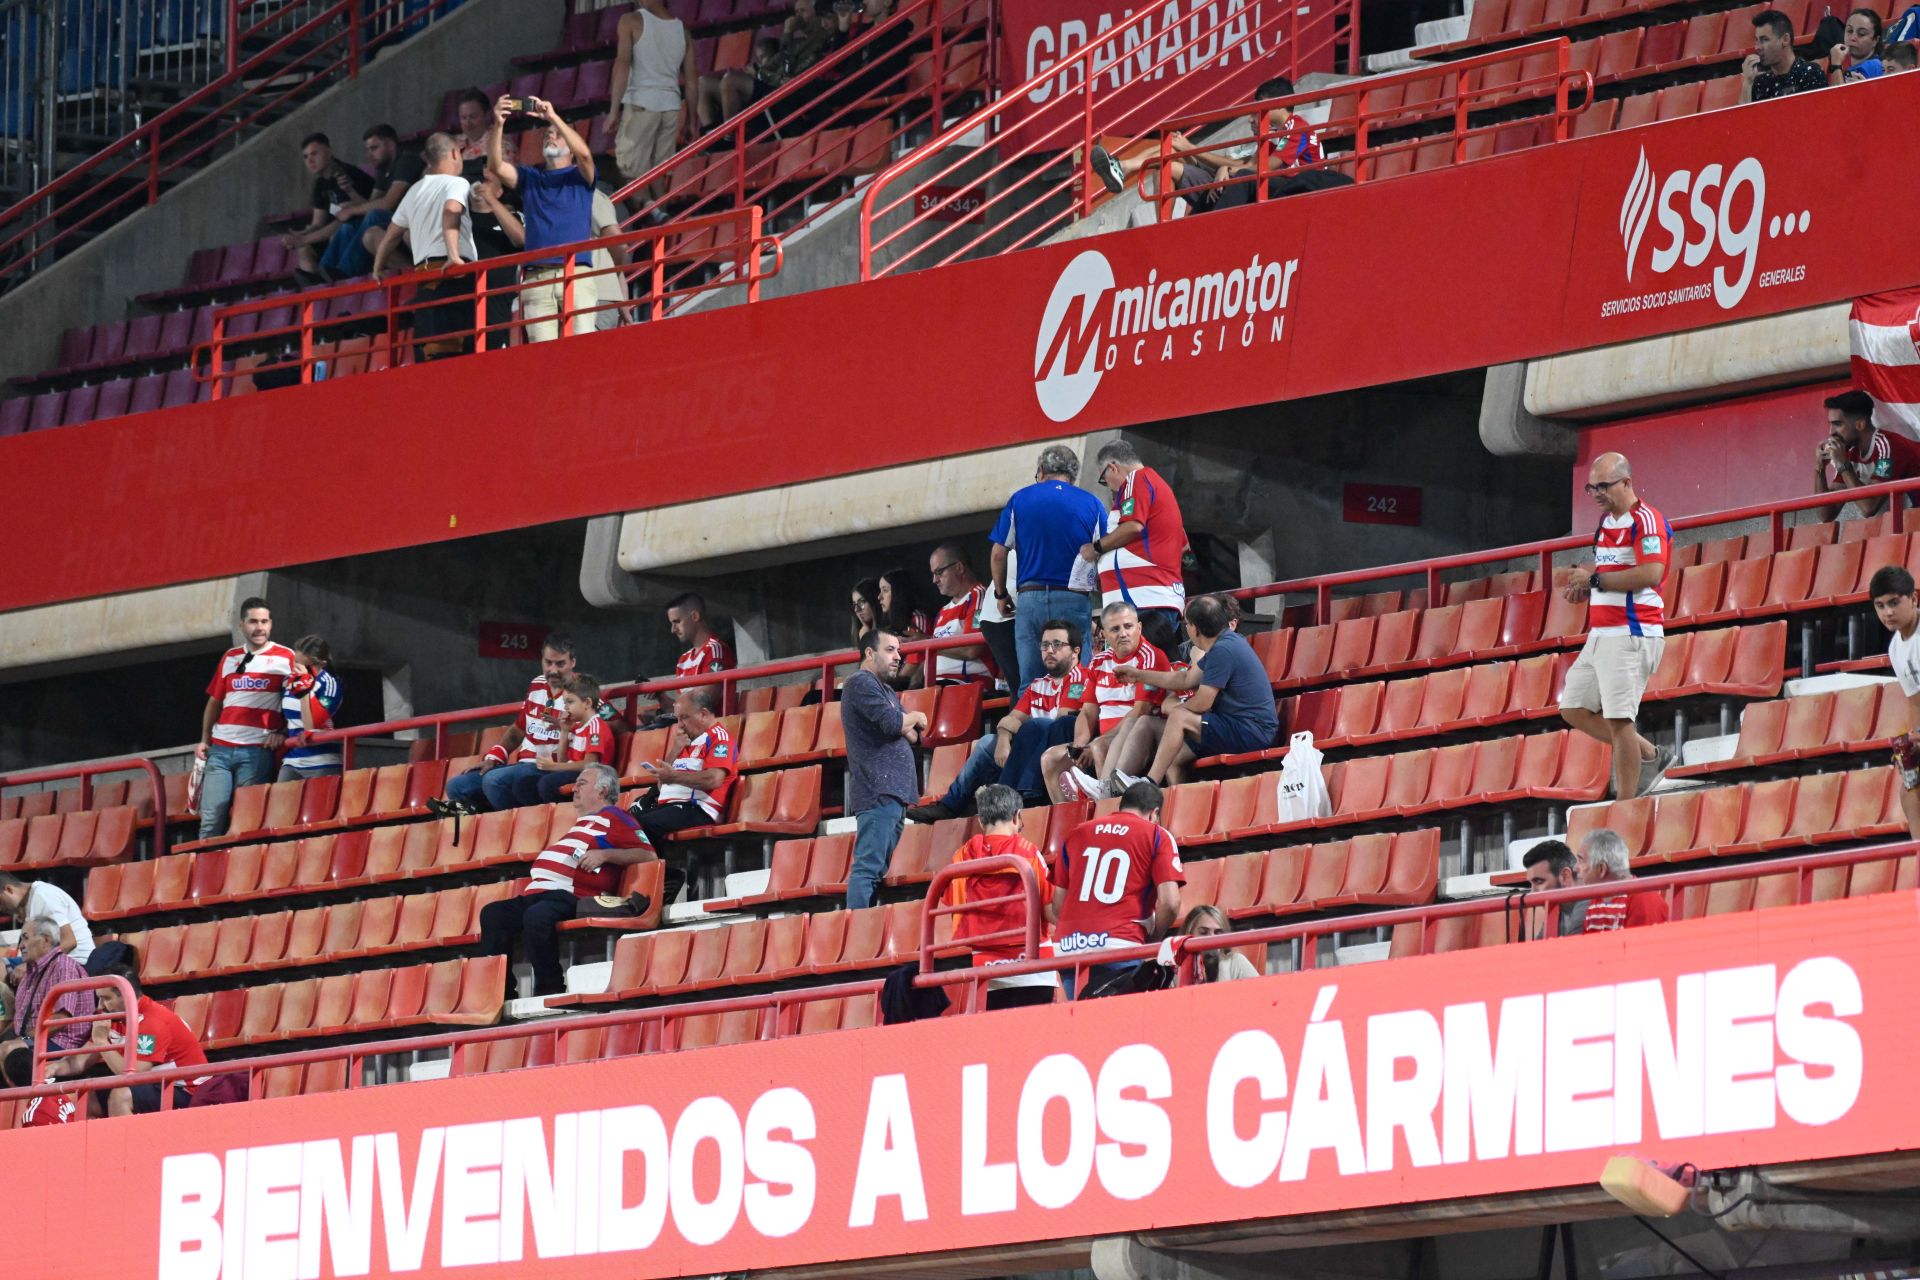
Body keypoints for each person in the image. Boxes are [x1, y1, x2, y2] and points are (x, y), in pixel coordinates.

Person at [478, 764, 653, 996]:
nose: (574, 789)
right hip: (537, 893)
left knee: (537, 917)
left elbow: (647, 854)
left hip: (571, 894)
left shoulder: (616, 816)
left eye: (582, 783)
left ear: (602, 791)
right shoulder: (583, 823)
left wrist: (606, 854)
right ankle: (498, 992)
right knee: (493, 914)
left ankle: (549, 988)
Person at [1558, 452, 1672, 804]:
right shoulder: (1607, 523)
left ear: (1626, 482)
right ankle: (1652, 755)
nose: (1596, 493)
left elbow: (1651, 573)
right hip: (1602, 635)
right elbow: (1609, 574)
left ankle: (1626, 802)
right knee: (1573, 708)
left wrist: (1594, 579)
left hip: (1632, 632)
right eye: (1591, 487)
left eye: (1603, 486)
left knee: (1620, 719)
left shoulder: (1647, 520)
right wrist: (1588, 588)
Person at [908, 618, 1090, 821]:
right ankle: (950, 805)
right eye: (1045, 645)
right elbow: (1011, 719)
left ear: (1076, 651)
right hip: (1026, 751)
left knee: (1040, 725)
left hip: (1060, 754)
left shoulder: (1081, 679)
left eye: (1057, 644)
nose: (1049, 650)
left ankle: (1009, 794)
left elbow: (1061, 722)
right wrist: (1003, 741)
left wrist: (1017, 730)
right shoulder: (1038, 685)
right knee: (987, 743)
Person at [1110, 594, 1279, 787]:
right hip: (1233, 726)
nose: (1186, 629)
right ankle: (1174, 809)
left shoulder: (1223, 650)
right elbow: (1185, 679)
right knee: (1174, 757)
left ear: (1195, 629)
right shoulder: (1223, 644)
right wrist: (1138, 674)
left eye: (1186, 624)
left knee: (1180, 717)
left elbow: (1203, 703)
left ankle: (1148, 783)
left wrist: (1176, 713)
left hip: (1252, 732)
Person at [1090, 77, 1331, 212]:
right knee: (1170, 147)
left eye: (1262, 105)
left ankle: (1123, 167)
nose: (1256, 112)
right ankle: (1123, 167)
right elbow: (1248, 165)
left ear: (1281, 104)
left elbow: (1262, 168)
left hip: (1287, 198)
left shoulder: (1297, 128)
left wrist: (1205, 158)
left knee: (1178, 148)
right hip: (1251, 187)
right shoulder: (1275, 134)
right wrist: (1226, 168)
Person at [1050, 780, 1184, 999]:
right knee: (1113, 1028)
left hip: (1067, 947)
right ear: (1155, 813)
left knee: (1078, 1025)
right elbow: (1170, 903)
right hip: (1119, 945)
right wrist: (1152, 938)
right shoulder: (1156, 834)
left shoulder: (1077, 832)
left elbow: (1058, 906)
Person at [991, 444, 1106, 691]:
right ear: (1073, 476)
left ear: (1041, 471)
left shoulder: (1019, 499)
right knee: (1077, 682)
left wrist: (1001, 594)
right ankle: (1072, 729)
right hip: (1074, 599)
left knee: (1030, 684)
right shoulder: (1092, 504)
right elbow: (1105, 553)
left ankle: (1031, 729)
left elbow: (999, 553)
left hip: (1029, 599)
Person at [488, 96, 599, 343]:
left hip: (575, 273)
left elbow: (586, 155)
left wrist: (553, 117)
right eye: (548, 134)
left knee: (583, 349)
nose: (551, 136)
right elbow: (496, 166)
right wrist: (497, 124)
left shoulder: (580, 176)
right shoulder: (531, 177)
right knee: (544, 357)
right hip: (537, 278)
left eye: (558, 134)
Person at [940, 783, 1058, 1008]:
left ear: (981, 820)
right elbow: (1050, 911)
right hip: (1034, 965)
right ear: (1016, 817)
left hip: (985, 968)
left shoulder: (961, 857)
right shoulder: (1029, 853)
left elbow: (952, 903)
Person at [437, 636, 582, 815]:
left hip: (551, 768)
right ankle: (486, 831)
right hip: (523, 766)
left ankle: (519, 828)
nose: (553, 670)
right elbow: (518, 729)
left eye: (560, 664)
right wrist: (494, 758)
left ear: (573, 662)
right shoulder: (537, 684)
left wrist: (567, 727)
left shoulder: (583, 690)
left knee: (494, 781)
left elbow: (610, 724)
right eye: (548, 663)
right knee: (457, 786)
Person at [1042, 601, 1168, 802]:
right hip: (1101, 738)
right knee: (1050, 759)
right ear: (1104, 634)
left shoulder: (1151, 657)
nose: (1123, 633)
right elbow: (1088, 712)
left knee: (1101, 747)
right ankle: (1069, 823)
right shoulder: (1098, 661)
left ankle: (1104, 813)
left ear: (1139, 628)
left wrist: (1095, 743)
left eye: (1128, 626)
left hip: (1135, 739)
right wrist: (1080, 745)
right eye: (1115, 629)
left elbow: (1140, 711)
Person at [196, 596, 297, 840]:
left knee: (246, 820)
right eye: (253, 621)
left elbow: (296, 702)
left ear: (271, 624)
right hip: (220, 750)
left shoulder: (286, 657)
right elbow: (215, 701)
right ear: (241, 625)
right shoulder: (230, 657)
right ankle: (205, 875)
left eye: (264, 621)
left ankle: (239, 874)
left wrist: (282, 732)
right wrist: (204, 739)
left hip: (256, 750)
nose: (259, 627)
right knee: (211, 818)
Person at [842, 629, 928, 909]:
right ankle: (858, 932)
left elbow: (913, 734)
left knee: (875, 871)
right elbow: (896, 725)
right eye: (890, 650)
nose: (898, 657)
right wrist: (912, 716)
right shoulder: (860, 683)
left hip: (893, 794)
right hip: (877, 791)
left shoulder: (886, 690)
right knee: (868, 869)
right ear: (870, 653)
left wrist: (905, 722)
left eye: (899, 651)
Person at [628, 686, 738, 903]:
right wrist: (674, 750)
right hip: (671, 806)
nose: (679, 725)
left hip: (698, 809)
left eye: (684, 718)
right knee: (624, 824)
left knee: (641, 826)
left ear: (704, 714)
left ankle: (666, 878)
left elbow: (714, 779)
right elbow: (664, 777)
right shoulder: (686, 740)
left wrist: (674, 777)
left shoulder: (719, 738)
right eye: (677, 718)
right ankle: (650, 885)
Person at [371, 133, 475, 362]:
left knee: (430, 348)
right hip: (452, 273)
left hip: (424, 276)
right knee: (458, 350)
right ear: (455, 153)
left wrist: (377, 267)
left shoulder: (414, 190)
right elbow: (451, 211)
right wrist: (454, 255)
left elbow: (391, 235)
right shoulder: (457, 183)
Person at [1084, 439, 1188, 656]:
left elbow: (1133, 526)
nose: (1109, 486)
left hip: (1144, 602)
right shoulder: (1154, 485)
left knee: (1144, 676)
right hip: (1151, 599)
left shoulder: (1136, 479)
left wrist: (1097, 547)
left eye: (1104, 480)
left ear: (1113, 467)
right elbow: (1182, 545)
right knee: (1154, 675)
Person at [61, 968, 207, 1116]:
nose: (100, 1006)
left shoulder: (154, 1021)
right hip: (157, 1084)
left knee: (121, 1096)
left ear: (126, 996)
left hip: (187, 1090)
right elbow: (81, 1060)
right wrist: (53, 1068)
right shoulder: (114, 1015)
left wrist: (101, 1042)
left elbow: (133, 1075)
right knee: (86, 1096)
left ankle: (129, 1139)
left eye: (106, 998)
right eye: (99, 998)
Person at [608, 0, 695, 204]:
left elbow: (622, 65)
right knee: (658, 176)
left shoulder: (630, 20)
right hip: (671, 106)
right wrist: (691, 121)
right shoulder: (682, 30)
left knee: (629, 173)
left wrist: (613, 110)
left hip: (641, 103)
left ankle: (655, 215)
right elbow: (691, 82)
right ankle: (665, 220)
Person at [283, 133, 376, 286]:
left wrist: (303, 239)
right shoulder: (320, 184)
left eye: (314, 154)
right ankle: (315, 289)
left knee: (341, 231)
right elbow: (318, 223)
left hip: (358, 228)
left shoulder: (343, 174)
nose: (310, 160)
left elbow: (344, 220)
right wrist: (299, 235)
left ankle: (331, 279)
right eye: (305, 157)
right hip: (339, 233)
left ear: (329, 152)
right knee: (304, 249)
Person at [1814, 390, 1920, 521]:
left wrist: (1843, 465)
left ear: (1860, 424)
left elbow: (1868, 507)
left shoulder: (1888, 447)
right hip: (1900, 526)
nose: (1831, 432)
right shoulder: (1850, 453)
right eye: (1830, 424)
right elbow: (1826, 515)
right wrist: (1820, 470)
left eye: (1838, 424)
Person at [1, 918, 93, 1065]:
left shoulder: (63, 967)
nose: (21, 946)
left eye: (25, 938)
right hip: (32, 1038)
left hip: (59, 1042)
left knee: (8, 1051)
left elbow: (61, 1019)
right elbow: (19, 1020)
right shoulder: (30, 972)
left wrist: (22, 1040)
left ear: (46, 939)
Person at [1871, 565, 1920, 840]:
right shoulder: (1895, 648)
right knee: (1910, 788)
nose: (1887, 612)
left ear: (1913, 599)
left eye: (1894, 602)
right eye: (1880, 606)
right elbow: (1915, 702)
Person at [518, 673, 614, 807]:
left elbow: (590, 765)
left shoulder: (595, 727)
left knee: (547, 784)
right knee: (523, 785)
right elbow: (563, 761)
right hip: (574, 773)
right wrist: (564, 731)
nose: (565, 708)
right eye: (564, 703)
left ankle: (562, 816)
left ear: (587, 703)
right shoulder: (577, 727)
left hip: (593, 777)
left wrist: (553, 766)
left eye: (570, 702)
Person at [1574, 829, 1668, 932]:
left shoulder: (1644, 900)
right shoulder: (1596, 900)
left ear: (1601, 869)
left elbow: (1642, 947)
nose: (1575, 868)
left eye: (1581, 861)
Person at [278, 635, 343, 781]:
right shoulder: (289, 680)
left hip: (322, 761)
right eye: (295, 663)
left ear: (320, 664)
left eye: (304, 666)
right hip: (292, 759)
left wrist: (305, 690)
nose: (298, 669)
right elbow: (283, 716)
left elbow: (312, 724)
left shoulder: (329, 684)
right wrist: (279, 732)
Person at [927, 543, 994, 686]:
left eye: (939, 572)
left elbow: (972, 649)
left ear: (959, 568)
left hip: (966, 685)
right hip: (936, 686)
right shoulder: (942, 612)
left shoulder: (979, 596)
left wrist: (928, 643)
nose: (934, 580)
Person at [0, 873, 93, 964]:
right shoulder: (29, 901)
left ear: (9, 889)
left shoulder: (44, 897)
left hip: (75, 961)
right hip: (51, 960)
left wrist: (33, 966)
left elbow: (69, 942)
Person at [1743, 9, 1827, 101]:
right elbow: (1740, 115)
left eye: (1765, 39)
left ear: (1785, 40)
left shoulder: (1810, 73)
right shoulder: (1760, 83)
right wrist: (1747, 83)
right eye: (1757, 40)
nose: (1757, 47)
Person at [1519, 839, 1587, 939]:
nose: (1532, 892)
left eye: (1539, 881)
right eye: (1531, 884)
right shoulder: (1556, 909)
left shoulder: (1588, 905)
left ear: (1565, 876)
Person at [877, 566, 932, 686]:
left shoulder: (917, 618)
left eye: (885, 590)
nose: (879, 597)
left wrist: (889, 685)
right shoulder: (889, 625)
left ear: (898, 592)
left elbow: (915, 662)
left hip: (910, 685)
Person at [1179, 905, 1259, 982]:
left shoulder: (1236, 962)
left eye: (1218, 933)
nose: (1211, 939)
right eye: (1203, 932)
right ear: (1188, 934)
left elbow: (1262, 992)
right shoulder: (1176, 968)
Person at [1829, 7, 1886, 82]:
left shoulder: (1873, 65)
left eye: (1861, 34)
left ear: (1875, 40)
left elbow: (1840, 93)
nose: (1853, 38)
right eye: (1850, 31)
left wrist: (1836, 65)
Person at [454, 87, 493, 160]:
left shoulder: (499, 145)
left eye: (473, 116)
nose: (468, 123)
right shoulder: (453, 143)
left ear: (487, 116)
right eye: (463, 117)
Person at [849, 577, 883, 651]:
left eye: (861, 602)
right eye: (854, 604)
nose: (856, 610)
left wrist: (866, 638)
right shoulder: (863, 631)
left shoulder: (891, 634)